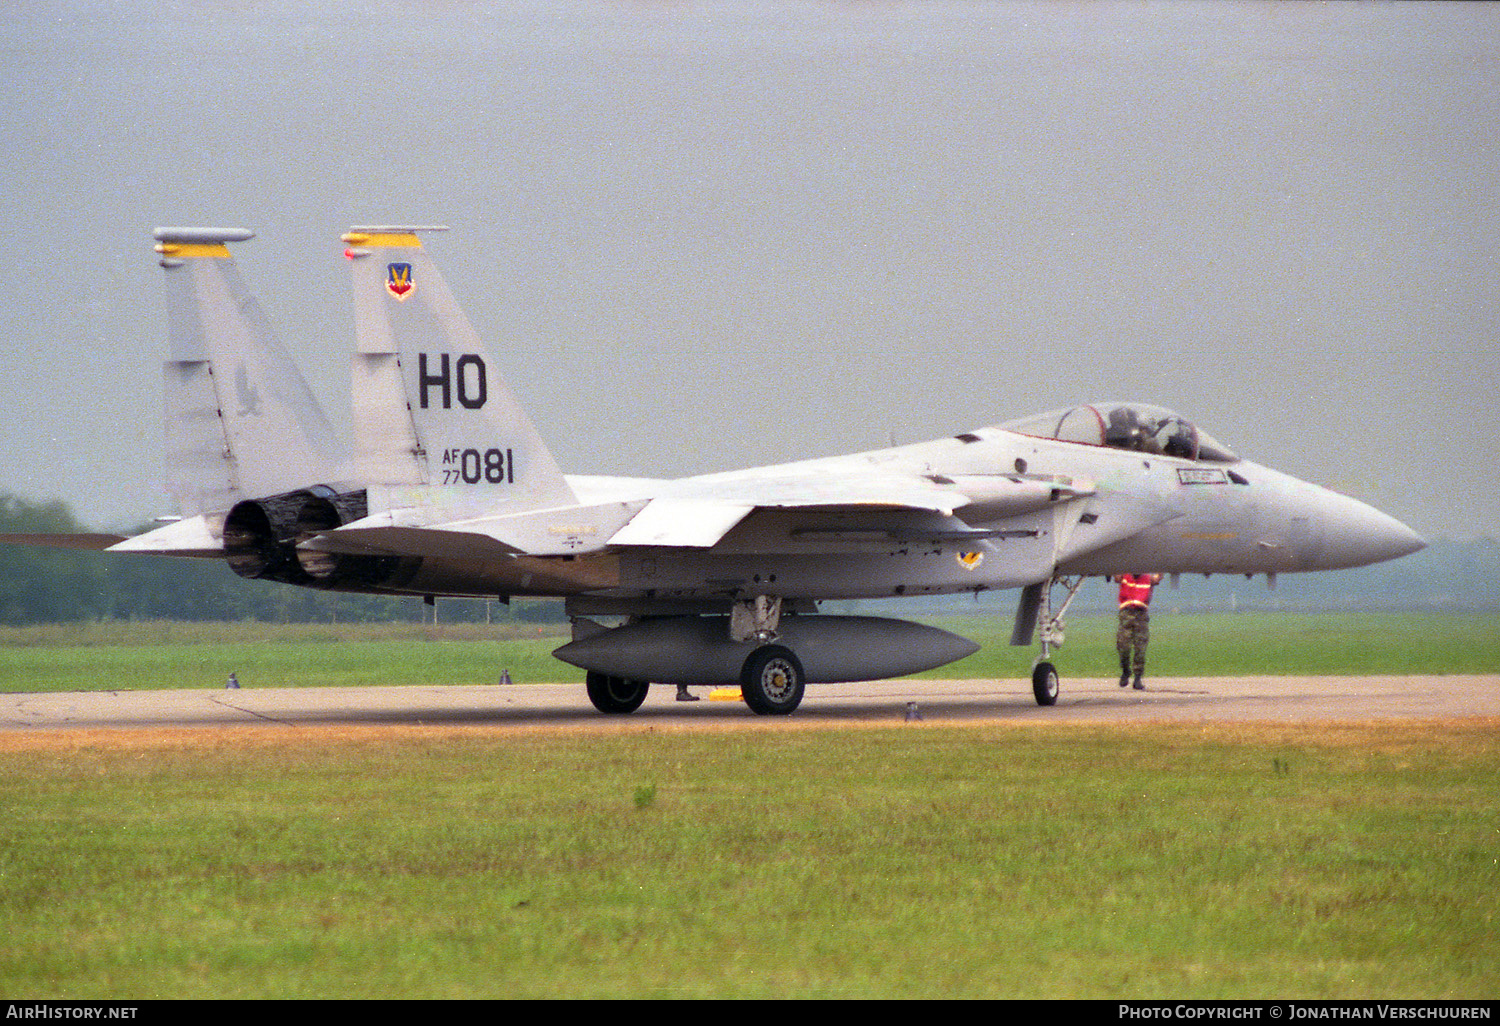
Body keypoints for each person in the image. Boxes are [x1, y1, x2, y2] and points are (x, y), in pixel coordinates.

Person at [1114, 573, 1162, 690]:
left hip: (1141, 615)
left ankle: (1137, 678)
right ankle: (1126, 670)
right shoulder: (1124, 576)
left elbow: (1158, 578)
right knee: (1123, 646)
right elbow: (1115, 576)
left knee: (1140, 648)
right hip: (1126, 614)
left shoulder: (1148, 579)